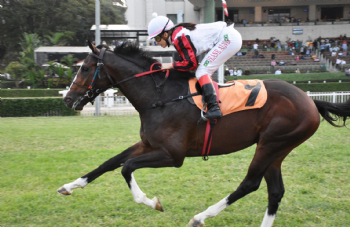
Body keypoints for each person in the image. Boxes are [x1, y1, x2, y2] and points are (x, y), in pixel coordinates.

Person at [147, 13, 242, 121]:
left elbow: (191, 64)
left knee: (202, 72)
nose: (156, 42)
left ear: (164, 34)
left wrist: (171, 65)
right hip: (228, 37)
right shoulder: (177, 35)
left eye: (157, 38)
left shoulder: (178, 37)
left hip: (227, 39)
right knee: (202, 70)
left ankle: (213, 107)